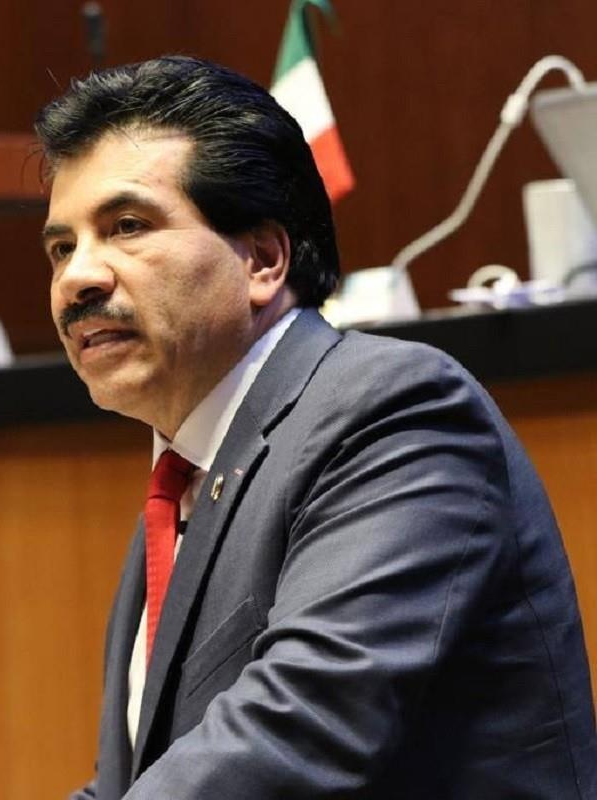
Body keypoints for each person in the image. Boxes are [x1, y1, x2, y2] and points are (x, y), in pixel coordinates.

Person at [36, 56, 597, 799]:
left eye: (127, 227)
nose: (77, 277)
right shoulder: (185, 481)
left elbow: (299, 727)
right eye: (62, 247)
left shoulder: (393, 413)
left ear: (264, 260)